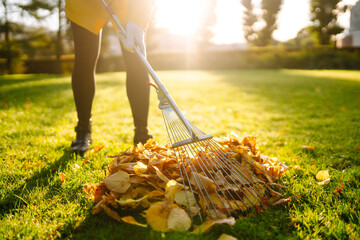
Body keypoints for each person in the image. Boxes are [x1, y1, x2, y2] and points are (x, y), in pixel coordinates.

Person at [65, 0, 154, 154]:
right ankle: (83, 129)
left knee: (136, 59)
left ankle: (142, 132)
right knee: (85, 58)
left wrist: (137, 21)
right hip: (85, 4)